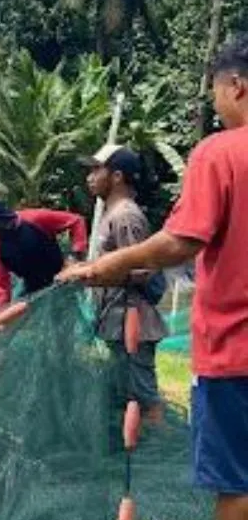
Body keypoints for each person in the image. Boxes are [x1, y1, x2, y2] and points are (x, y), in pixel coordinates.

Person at [58, 35, 248, 520]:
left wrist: (100, 269)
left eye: (214, 92)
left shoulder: (221, 153)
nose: (215, 104)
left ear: (237, 86)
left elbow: (178, 244)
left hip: (233, 352)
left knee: (235, 481)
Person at [81, 144, 167, 425]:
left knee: (143, 396)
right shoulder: (112, 213)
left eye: (96, 170)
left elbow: (141, 269)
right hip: (117, 320)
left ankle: (158, 450)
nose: (89, 177)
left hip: (134, 322)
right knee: (127, 393)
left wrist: (90, 274)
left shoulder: (125, 216)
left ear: (117, 176)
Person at [0, 190, 89, 307]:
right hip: (33, 293)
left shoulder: (34, 219)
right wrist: (3, 312)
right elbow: (1, 287)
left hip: (65, 281)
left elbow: (76, 221)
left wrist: (74, 258)